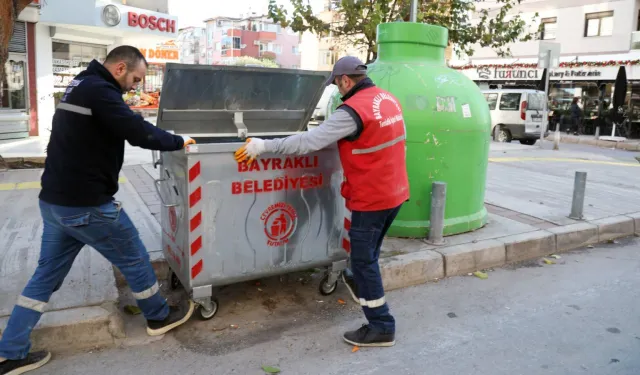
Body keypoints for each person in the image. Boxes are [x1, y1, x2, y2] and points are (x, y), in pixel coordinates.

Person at [0, 46, 196, 375]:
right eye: (135, 78)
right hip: (86, 205)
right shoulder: (100, 91)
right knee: (133, 256)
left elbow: (107, 128)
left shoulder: (81, 84)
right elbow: (138, 133)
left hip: (55, 203)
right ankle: (158, 316)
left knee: (45, 277)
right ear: (120, 68)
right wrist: (179, 141)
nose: (135, 85)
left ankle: (10, 351)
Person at [234, 56, 409, 347]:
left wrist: (263, 145)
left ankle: (381, 325)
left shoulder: (352, 110)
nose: (338, 91)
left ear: (345, 80)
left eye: (337, 85)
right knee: (368, 256)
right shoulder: (386, 98)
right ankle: (358, 279)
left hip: (372, 197)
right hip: (396, 192)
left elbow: (309, 141)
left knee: (365, 260)